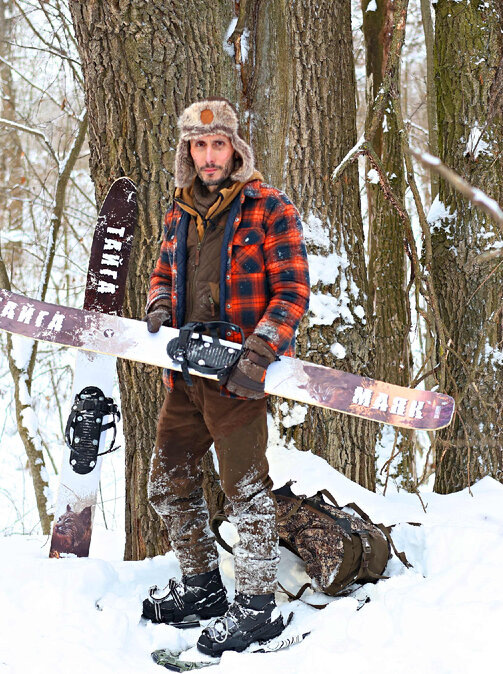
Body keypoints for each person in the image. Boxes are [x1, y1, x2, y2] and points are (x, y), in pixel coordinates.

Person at [140, 98, 309, 656]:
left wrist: (259, 353)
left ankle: (257, 610)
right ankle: (203, 590)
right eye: (198, 145)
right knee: (166, 482)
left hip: (237, 377)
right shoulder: (181, 210)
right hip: (184, 375)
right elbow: (163, 273)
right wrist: (161, 307)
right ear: (188, 152)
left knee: (246, 492)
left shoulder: (269, 207)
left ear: (235, 148)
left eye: (218, 144)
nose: (209, 156)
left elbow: (292, 292)